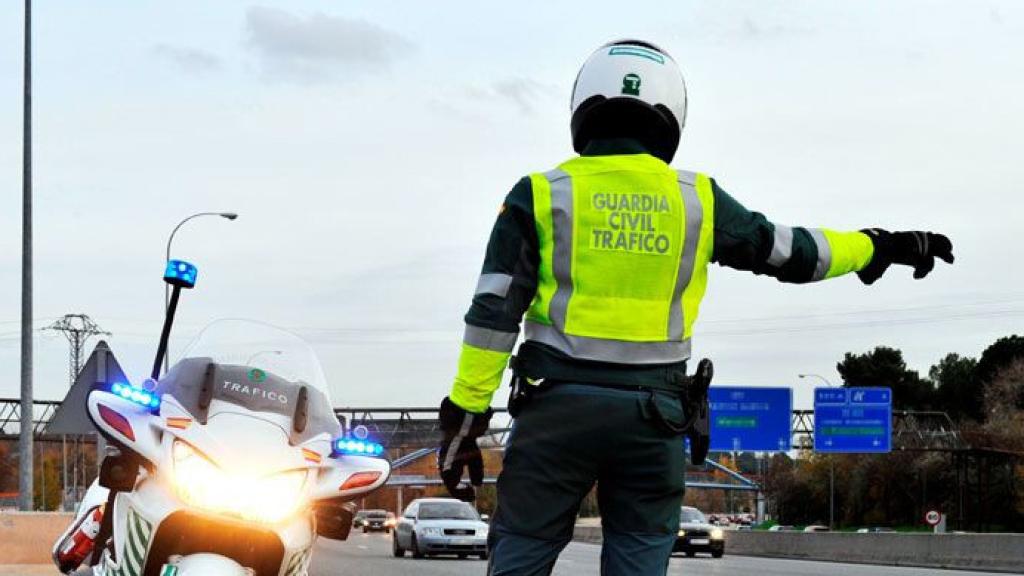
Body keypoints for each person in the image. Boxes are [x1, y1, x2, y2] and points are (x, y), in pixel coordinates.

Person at [437, 39, 953, 575]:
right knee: (639, 557)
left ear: (583, 107)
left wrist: (466, 415)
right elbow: (794, 252)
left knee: (521, 549)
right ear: (671, 115)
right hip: (652, 421)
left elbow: (493, 313)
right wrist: (880, 246)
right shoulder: (696, 199)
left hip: (554, 413)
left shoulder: (541, 194)